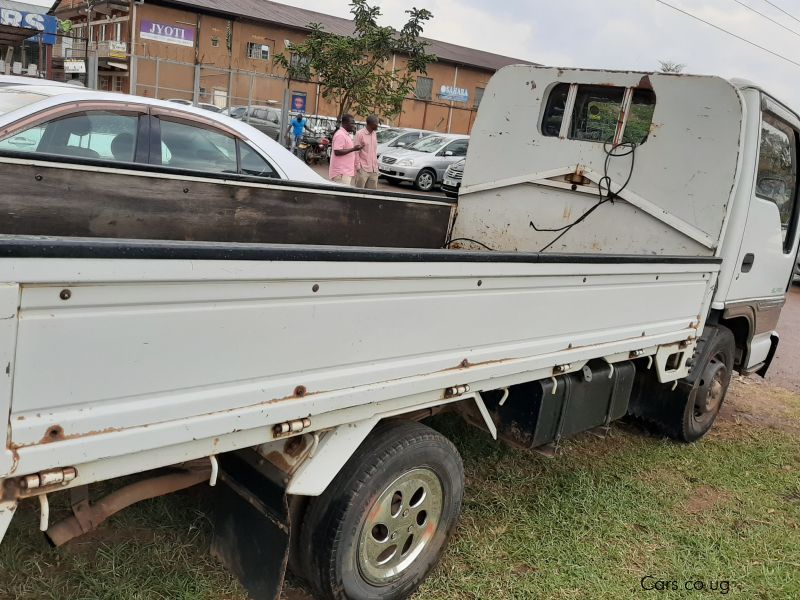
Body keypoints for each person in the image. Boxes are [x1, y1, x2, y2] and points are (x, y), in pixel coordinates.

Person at [329, 114, 363, 185]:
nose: (354, 125)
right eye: (352, 123)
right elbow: (337, 151)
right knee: (341, 194)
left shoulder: (346, 134)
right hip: (341, 173)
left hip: (345, 172)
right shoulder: (340, 135)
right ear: (345, 123)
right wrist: (353, 149)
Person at [354, 115, 380, 189]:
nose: (378, 125)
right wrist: (358, 167)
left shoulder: (374, 134)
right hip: (363, 169)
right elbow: (356, 152)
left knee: (371, 195)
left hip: (374, 170)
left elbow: (374, 151)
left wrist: (376, 167)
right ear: (371, 124)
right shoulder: (360, 134)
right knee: (358, 193)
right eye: (377, 123)